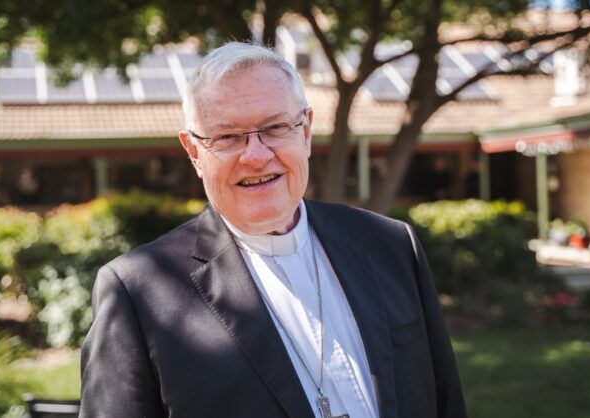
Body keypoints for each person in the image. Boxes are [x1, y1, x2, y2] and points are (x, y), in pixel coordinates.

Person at [80, 42, 467, 418]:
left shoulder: (392, 244)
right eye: (228, 137)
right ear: (195, 152)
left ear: (306, 131)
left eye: (276, 127)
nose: (256, 155)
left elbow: (446, 402)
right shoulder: (138, 291)